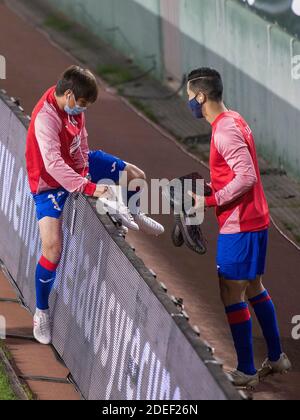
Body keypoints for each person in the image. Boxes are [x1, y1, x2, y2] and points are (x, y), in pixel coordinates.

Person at [26, 65, 164, 345]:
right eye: (82, 105)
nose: (83, 111)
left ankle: (134, 211)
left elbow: (81, 143)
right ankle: (41, 311)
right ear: (68, 95)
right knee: (52, 248)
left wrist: (88, 173)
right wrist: (88, 186)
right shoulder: (46, 119)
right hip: (49, 183)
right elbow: (53, 165)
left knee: (136, 176)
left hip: (77, 165)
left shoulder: (76, 109)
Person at [187, 67, 291, 387]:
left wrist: (210, 200)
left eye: (190, 97)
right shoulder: (235, 119)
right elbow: (238, 171)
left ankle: (246, 371)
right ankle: (276, 357)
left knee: (231, 293)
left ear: (202, 96)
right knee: (254, 287)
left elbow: (245, 177)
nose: (189, 102)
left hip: (240, 224)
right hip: (255, 219)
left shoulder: (223, 131)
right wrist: (211, 187)